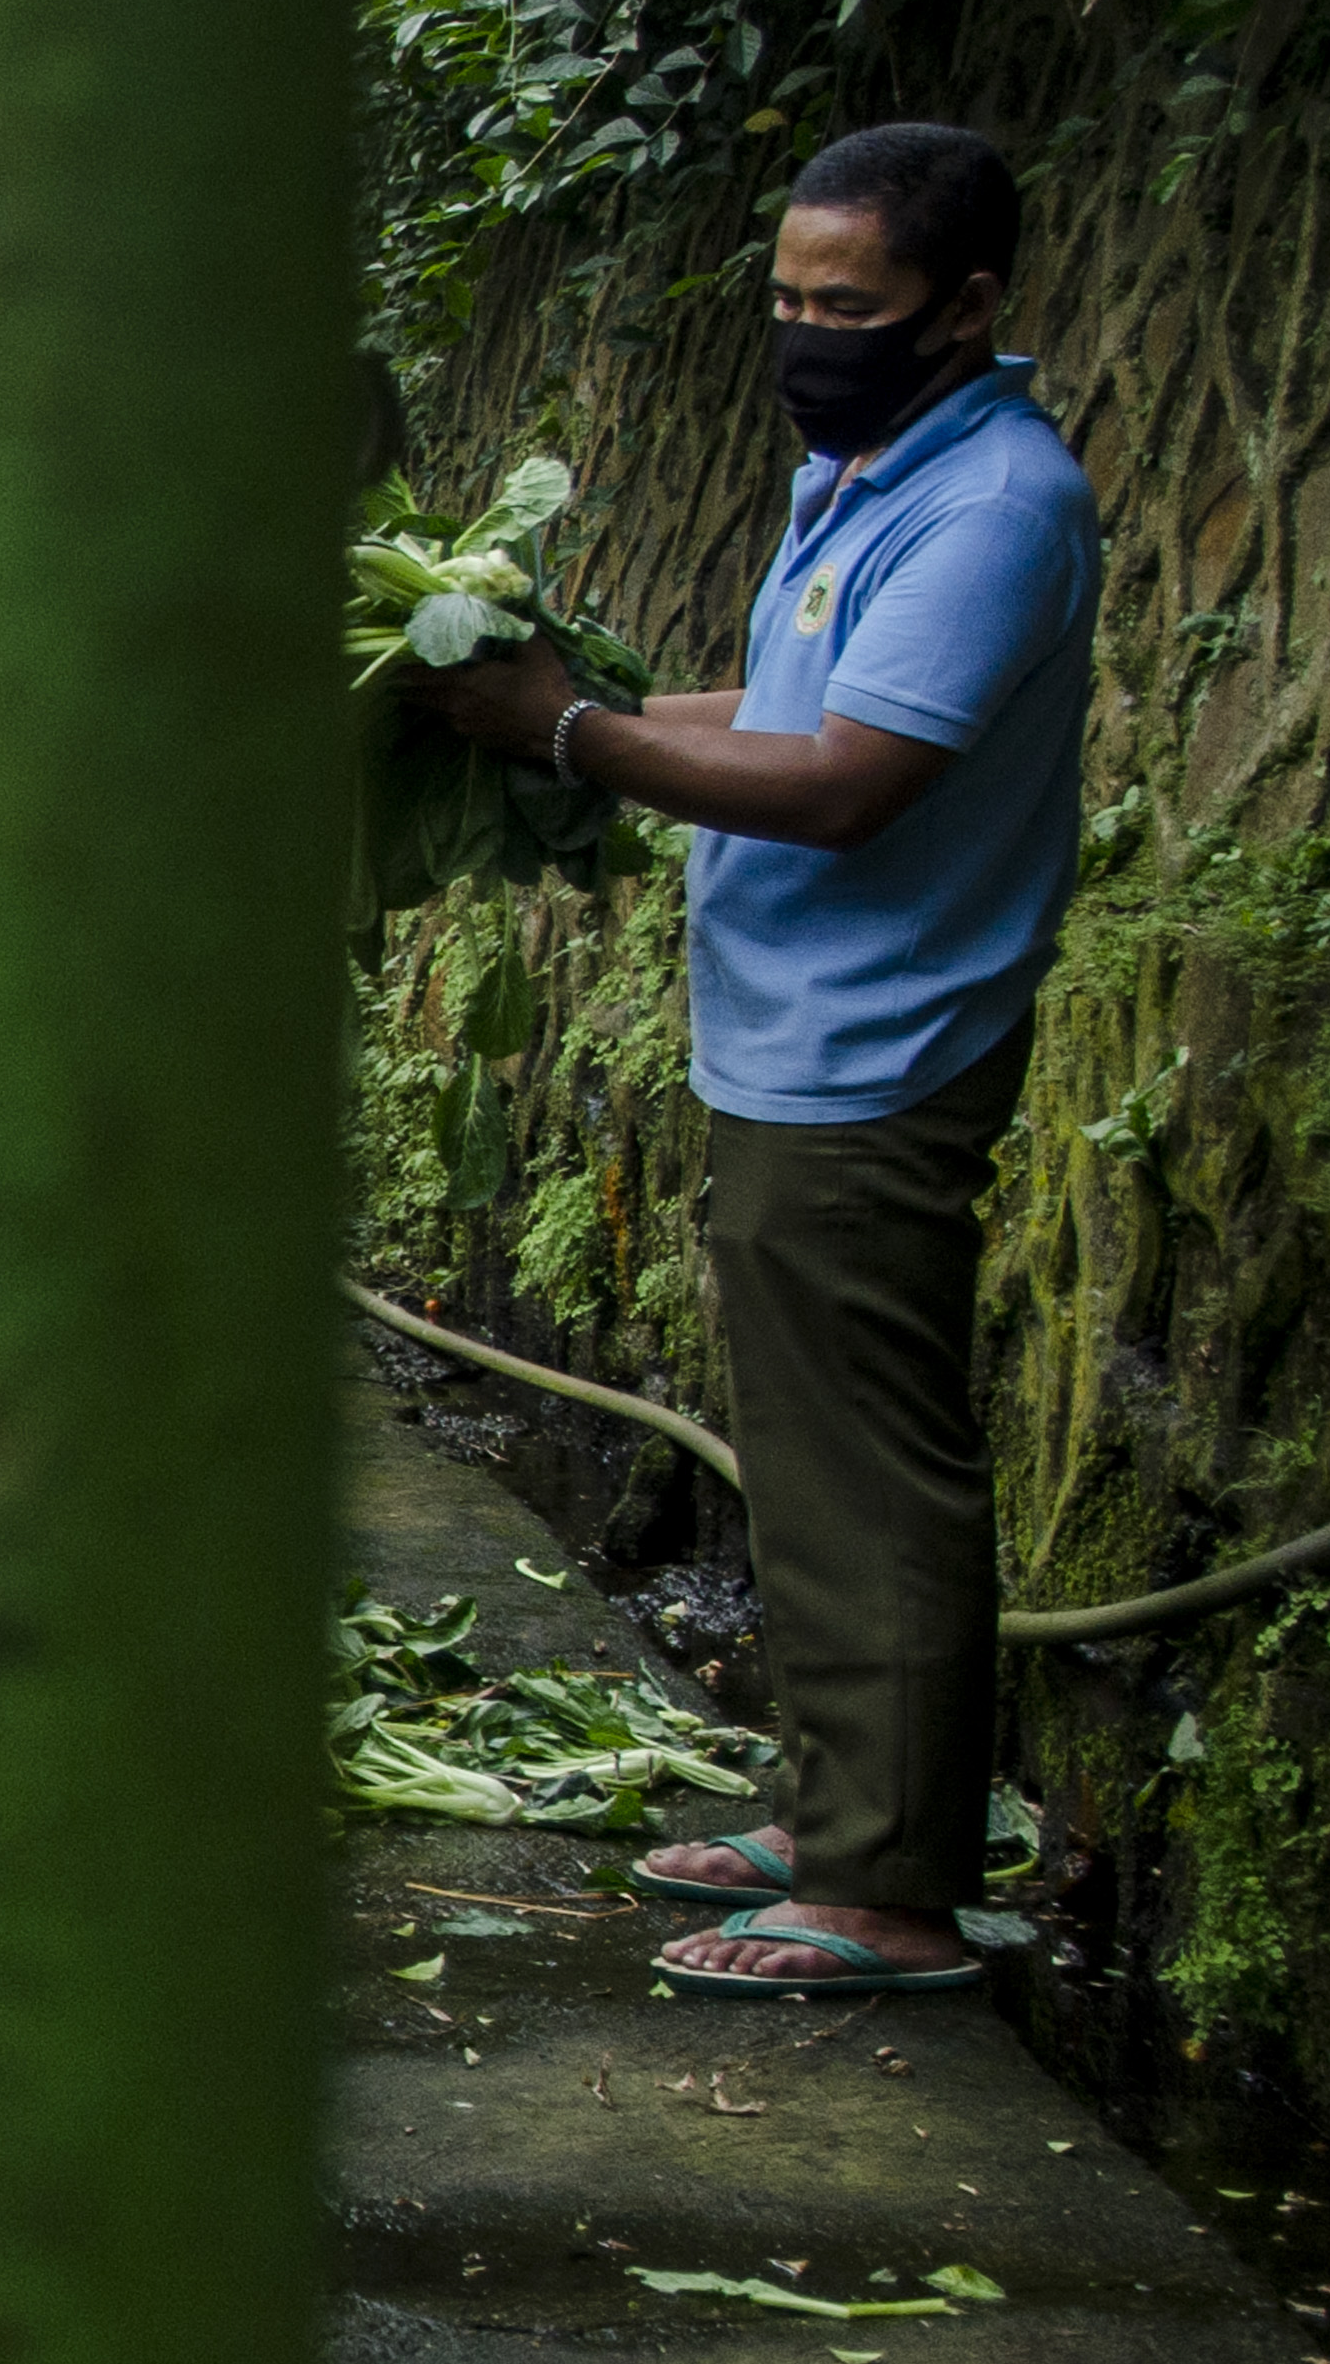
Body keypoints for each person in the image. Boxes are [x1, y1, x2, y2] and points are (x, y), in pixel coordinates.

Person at [415, 122, 1099, 1996]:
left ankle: (888, 1890)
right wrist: (585, 698)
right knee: (805, 1456)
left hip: (883, 1045)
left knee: (870, 1466)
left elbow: (847, 779)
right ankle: (836, 1809)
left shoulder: (993, 505)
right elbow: (792, 704)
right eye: (789, 298)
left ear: (964, 304)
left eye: (847, 306)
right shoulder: (867, 474)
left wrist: (570, 736)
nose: (806, 334)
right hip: (796, 1040)